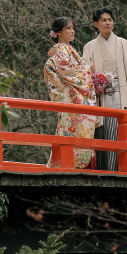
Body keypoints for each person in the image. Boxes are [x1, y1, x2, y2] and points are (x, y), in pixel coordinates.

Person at [82, 8, 127, 173]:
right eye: (104, 20)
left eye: (110, 19)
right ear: (95, 24)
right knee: (104, 130)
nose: (108, 23)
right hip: (101, 95)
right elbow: (83, 74)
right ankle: (106, 170)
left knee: (125, 129)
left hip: (123, 93)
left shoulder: (124, 44)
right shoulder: (89, 47)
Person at [44, 16, 97, 169]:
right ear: (58, 32)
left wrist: (85, 68)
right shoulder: (62, 49)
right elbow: (67, 71)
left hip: (67, 98)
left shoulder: (64, 50)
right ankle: (70, 164)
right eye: (68, 28)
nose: (72, 31)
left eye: (73, 28)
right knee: (71, 130)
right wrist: (87, 69)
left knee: (66, 130)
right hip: (72, 100)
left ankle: (62, 163)